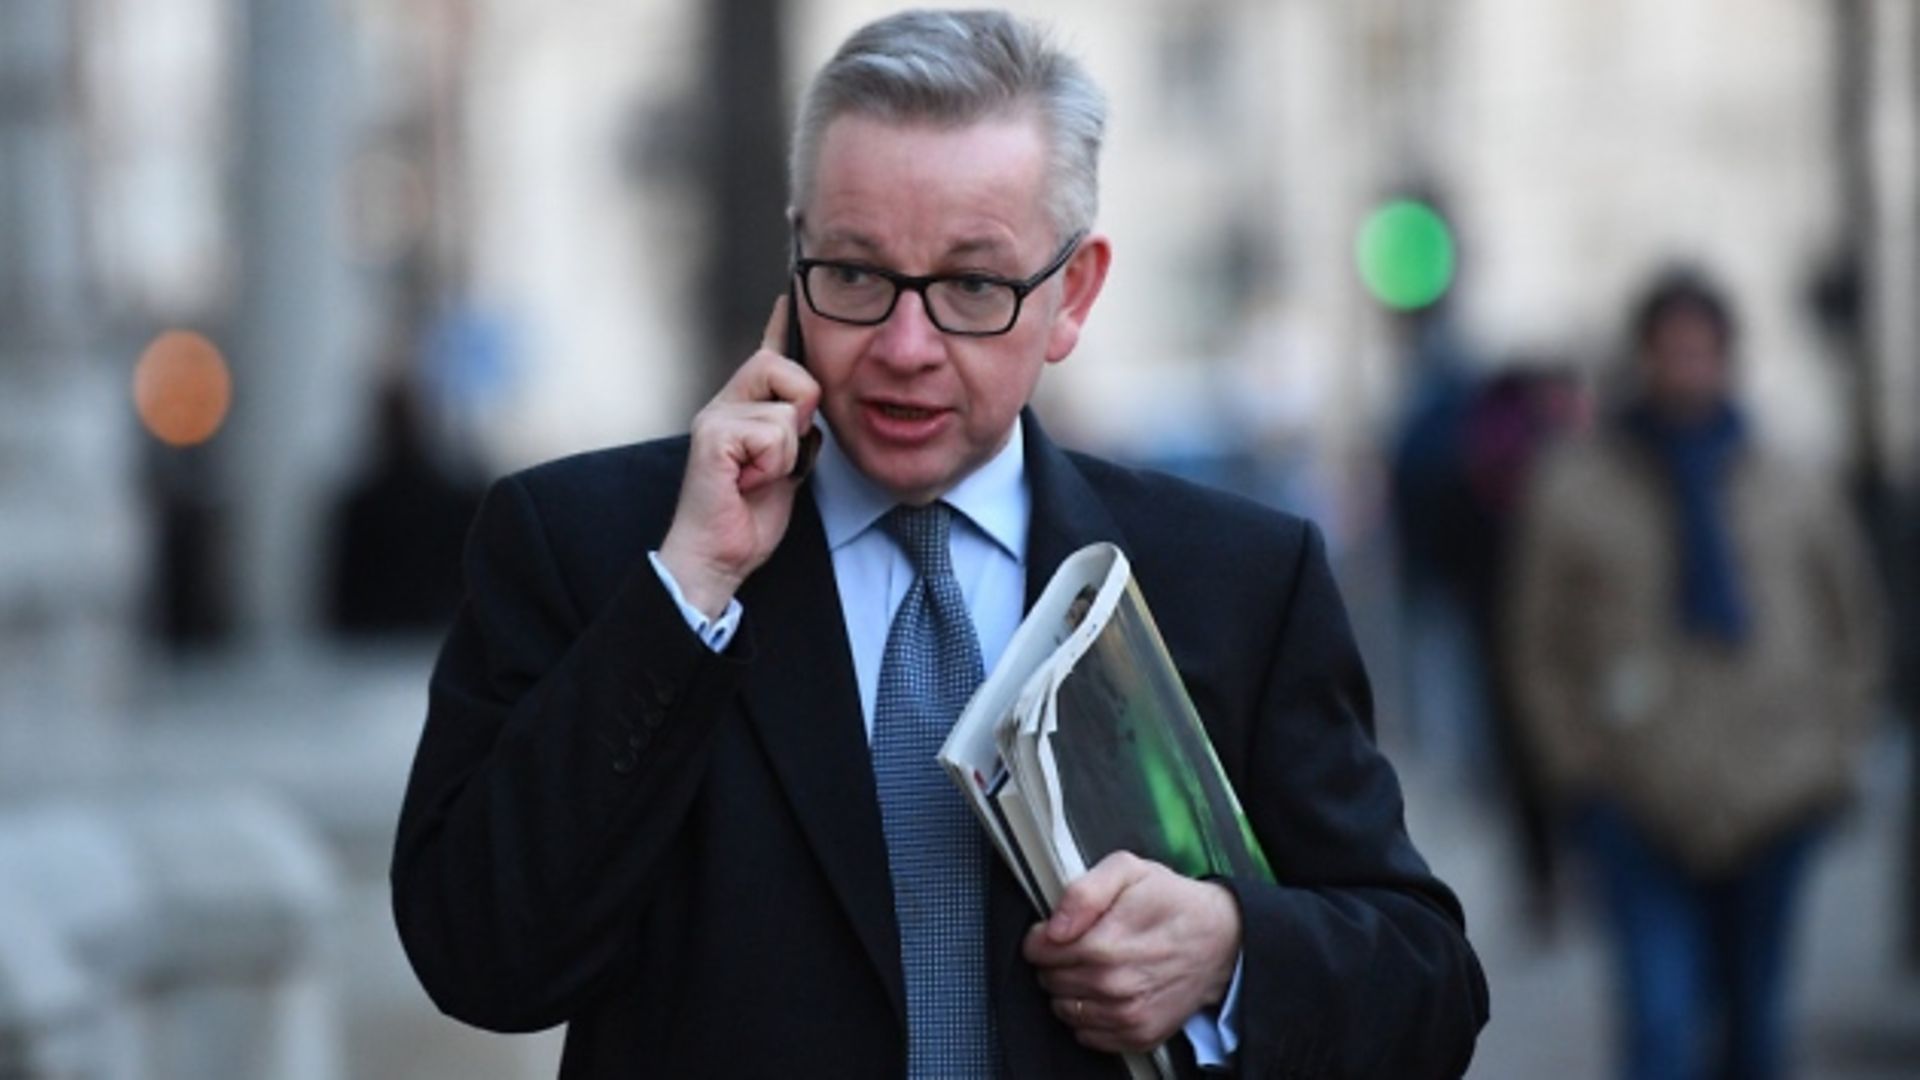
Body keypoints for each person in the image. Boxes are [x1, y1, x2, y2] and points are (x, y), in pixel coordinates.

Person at [391, 9, 1488, 1077]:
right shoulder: (592, 547)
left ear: (1073, 293)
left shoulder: (1239, 578)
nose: (905, 347)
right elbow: (482, 958)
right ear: (796, 258)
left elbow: (1429, 984)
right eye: (857, 275)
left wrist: (1229, 949)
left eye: (971, 285)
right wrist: (688, 595)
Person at [1506, 269, 1884, 1080]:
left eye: (1702, 351)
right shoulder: (1575, 486)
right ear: (1642, 358)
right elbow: (1534, 647)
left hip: (1775, 792)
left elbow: (1853, 624)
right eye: (1670, 351)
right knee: (1660, 1028)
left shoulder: (1790, 479)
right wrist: (1578, 773)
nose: (1687, 369)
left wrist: (1831, 754)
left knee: (1755, 1027)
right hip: (1638, 798)